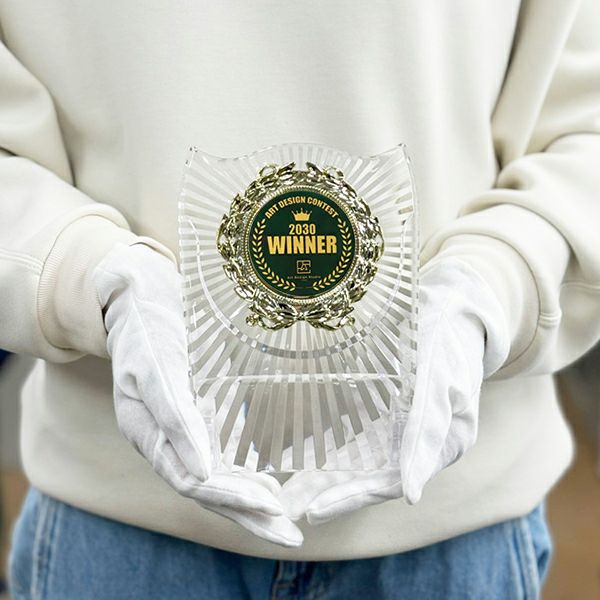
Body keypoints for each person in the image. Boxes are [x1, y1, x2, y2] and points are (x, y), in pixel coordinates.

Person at [1, 1, 599, 598]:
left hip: (452, 534)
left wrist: (494, 283)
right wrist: (92, 276)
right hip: (121, 531)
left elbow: (585, 128)